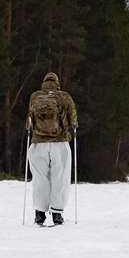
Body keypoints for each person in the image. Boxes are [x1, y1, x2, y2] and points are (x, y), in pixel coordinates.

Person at [24, 71, 78, 227]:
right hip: (59, 143)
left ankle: (39, 213)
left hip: (38, 144)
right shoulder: (64, 97)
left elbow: (29, 120)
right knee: (60, 177)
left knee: (40, 179)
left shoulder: (35, 97)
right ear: (57, 83)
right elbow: (73, 119)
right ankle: (57, 213)